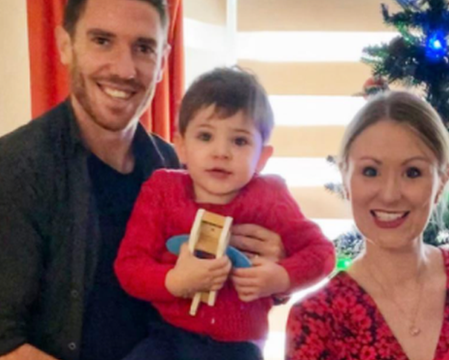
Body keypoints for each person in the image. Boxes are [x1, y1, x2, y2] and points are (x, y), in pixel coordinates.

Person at [0, 1, 285, 360]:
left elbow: (216, 291)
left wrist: (274, 271)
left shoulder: (177, 168)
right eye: (102, 40)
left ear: (162, 61)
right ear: (66, 46)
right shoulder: (11, 167)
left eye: (143, 48)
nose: (124, 69)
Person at [114, 67, 336, 360]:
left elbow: (322, 253)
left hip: (238, 348)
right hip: (169, 338)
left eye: (240, 141)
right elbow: (129, 266)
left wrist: (280, 277)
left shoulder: (270, 197)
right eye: (205, 136)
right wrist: (174, 281)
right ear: (180, 145)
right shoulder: (162, 191)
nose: (221, 152)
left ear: (263, 157)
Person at [286, 91, 449, 360]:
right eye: (370, 171)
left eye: (412, 172)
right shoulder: (317, 317)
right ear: (345, 177)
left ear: (442, 181)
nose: (389, 194)